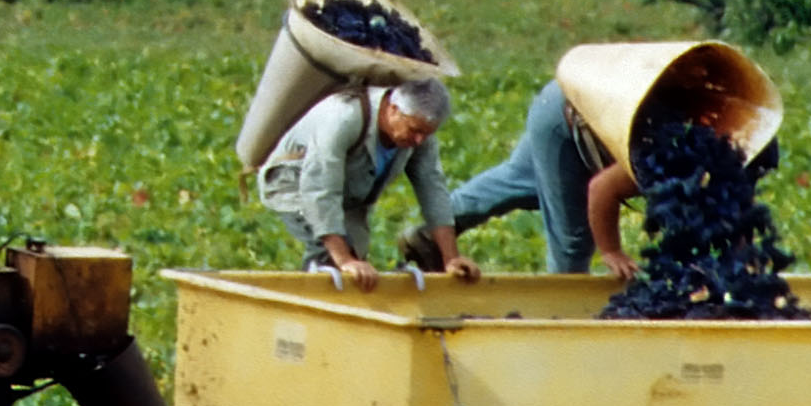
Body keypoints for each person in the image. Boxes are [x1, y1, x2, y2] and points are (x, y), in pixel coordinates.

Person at [256, 76, 461, 285]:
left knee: (356, 266)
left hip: (348, 192)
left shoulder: (419, 134)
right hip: (294, 182)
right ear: (393, 109)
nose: (419, 140)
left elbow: (432, 187)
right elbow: (319, 190)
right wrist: (344, 259)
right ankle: (308, 310)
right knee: (328, 256)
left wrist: (451, 258)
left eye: (426, 134)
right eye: (414, 130)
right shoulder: (344, 118)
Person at [446, 72, 634, 273]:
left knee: (522, 181)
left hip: (564, 92)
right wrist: (611, 251)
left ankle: (436, 225)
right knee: (572, 242)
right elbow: (602, 188)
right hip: (567, 112)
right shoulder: (665, 159)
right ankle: (563, 299)